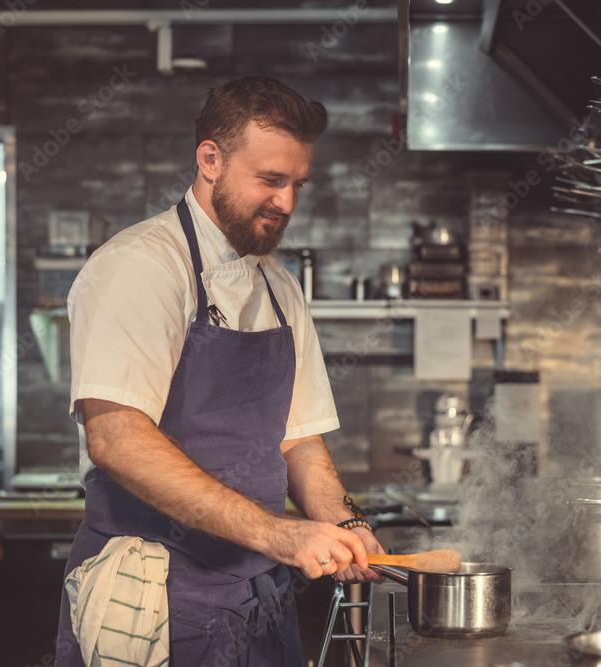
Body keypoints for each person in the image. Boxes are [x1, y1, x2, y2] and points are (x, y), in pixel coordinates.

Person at [55, 76, 385, 667]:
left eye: (297, 184)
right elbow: (115, 438)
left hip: (262, 602)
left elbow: (298, 438)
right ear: (210, 159)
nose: (288, 202)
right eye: (271, 180)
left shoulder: (279, 284)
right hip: (154, 599)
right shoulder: (140, 266)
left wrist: (345, 522)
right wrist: (281, 534)